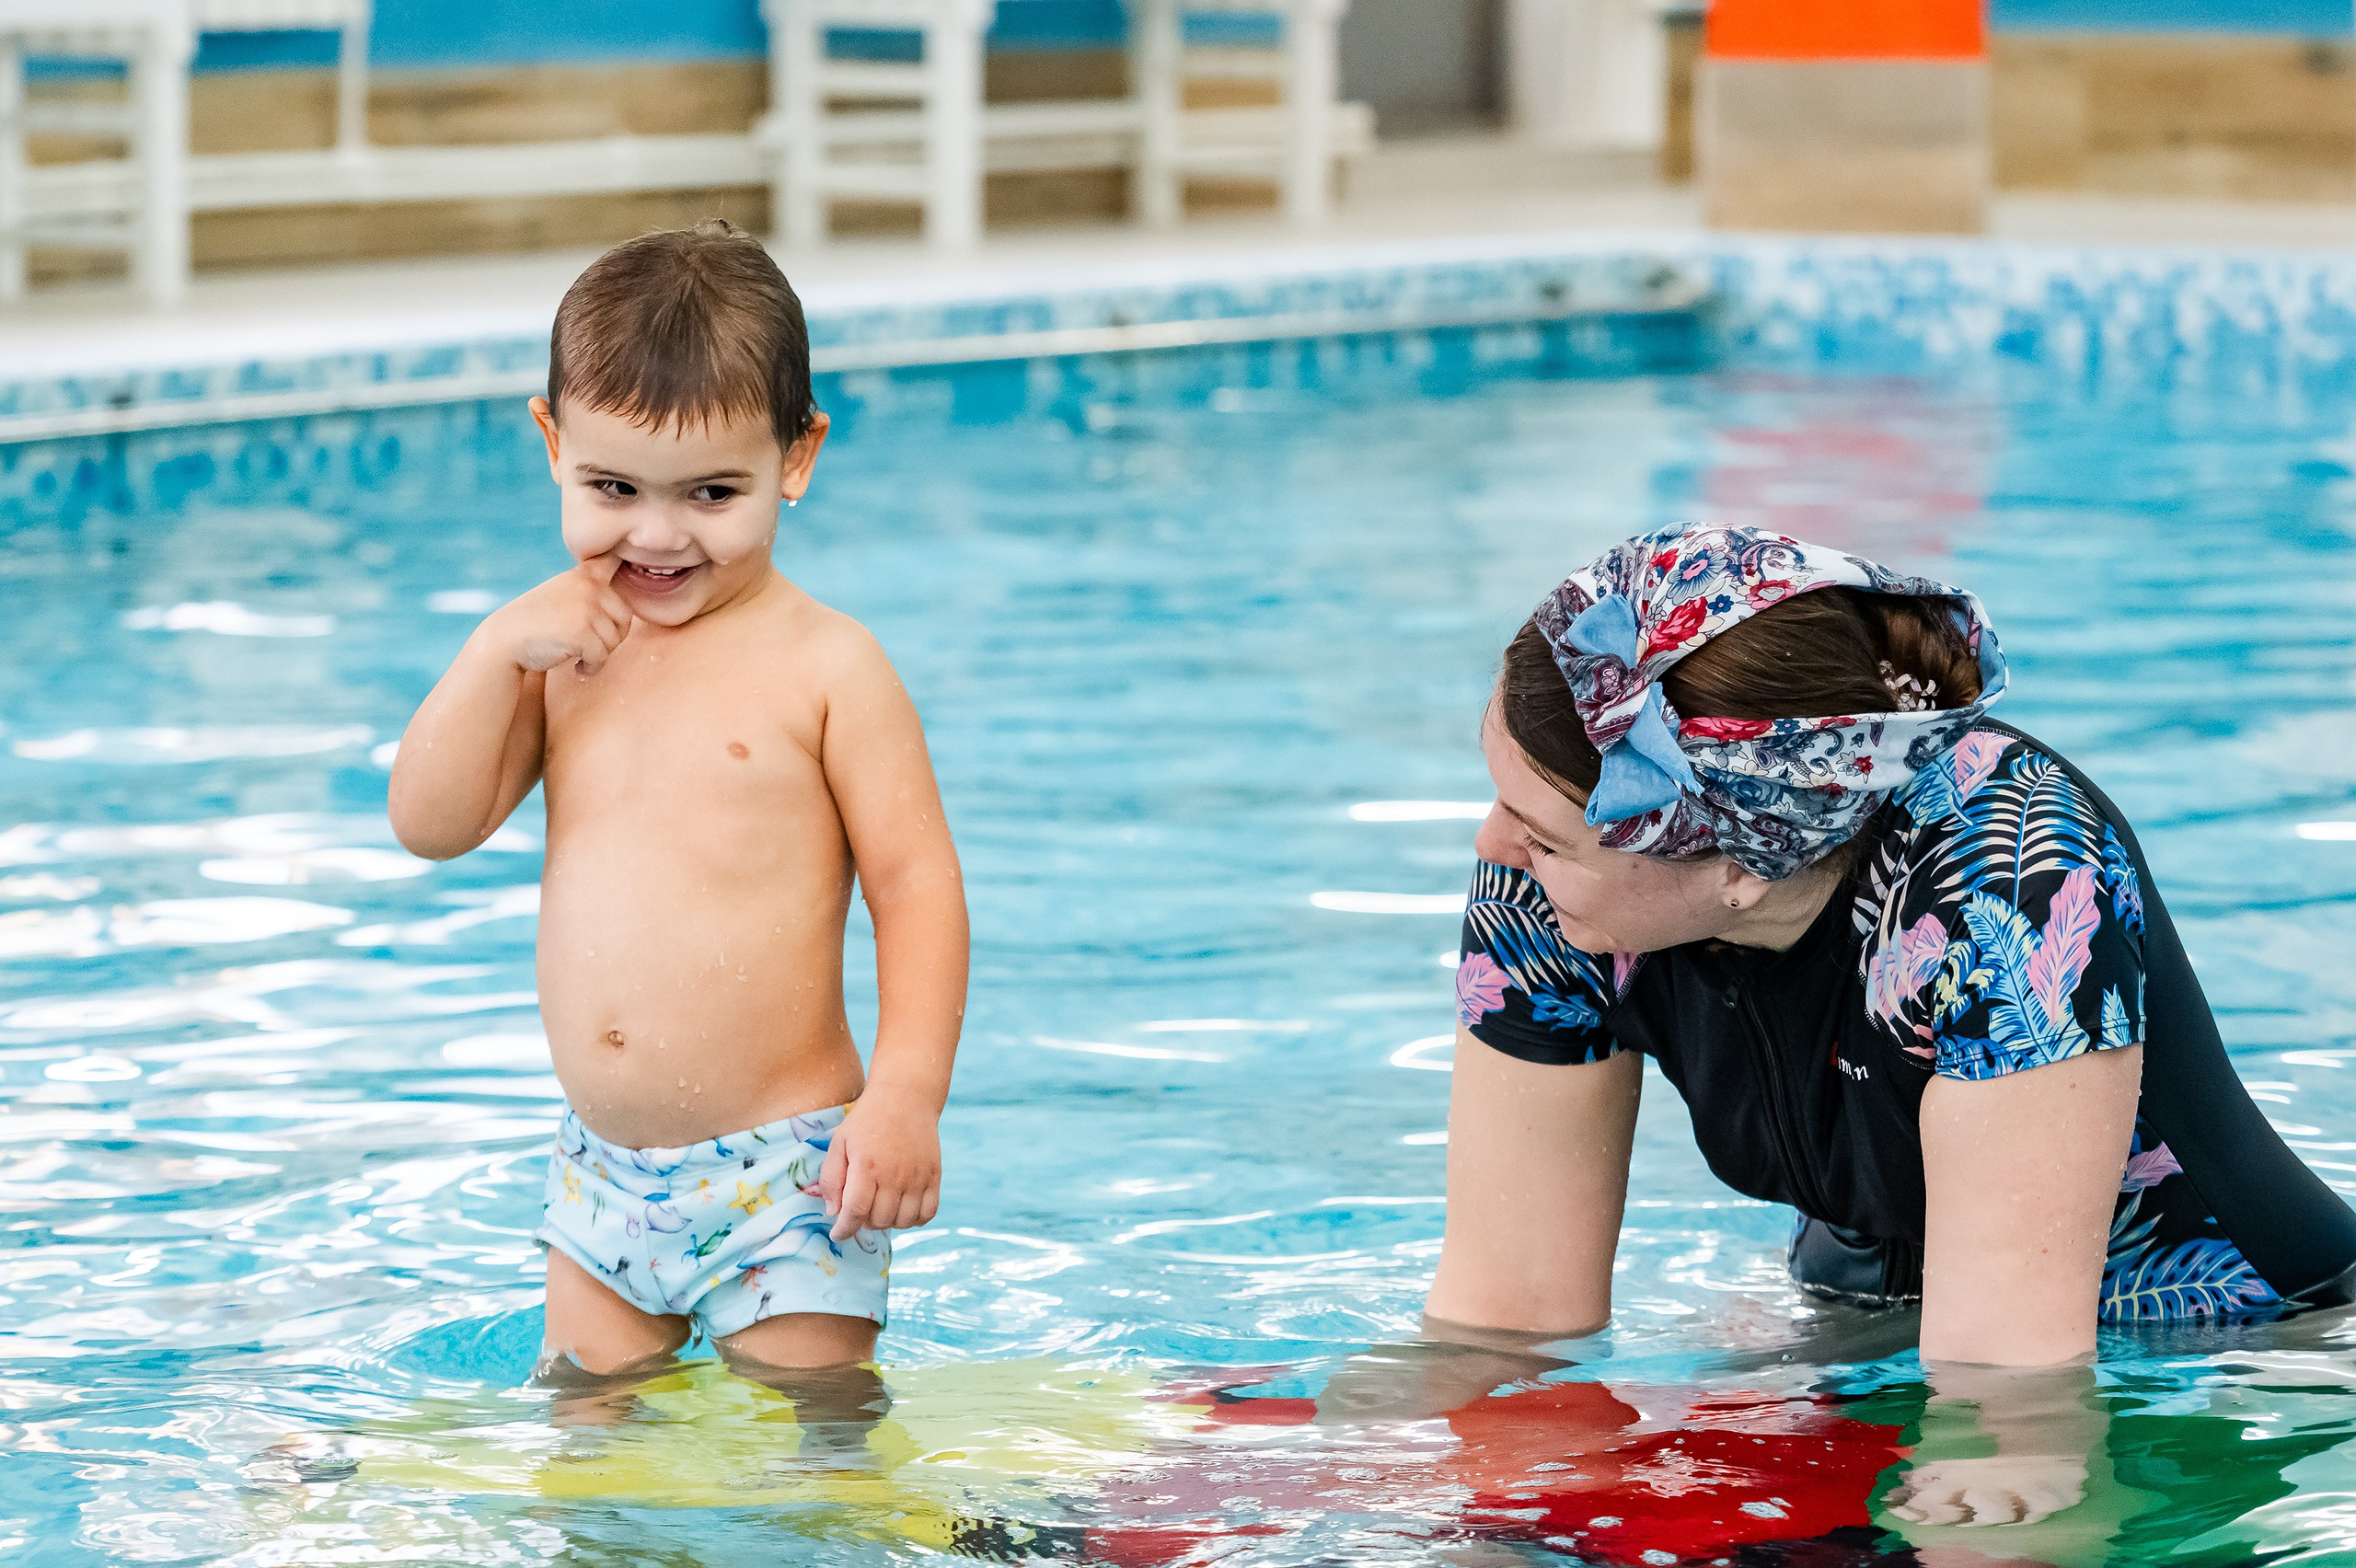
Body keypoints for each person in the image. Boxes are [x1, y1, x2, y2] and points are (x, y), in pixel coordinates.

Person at [1431, 521, 2356, 1341]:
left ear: (1741, 867)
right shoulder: (1551, 882)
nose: (1494, 848)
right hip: (1862, 1312)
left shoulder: (2009, 883)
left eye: (1545, 838)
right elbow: (1503, 1320)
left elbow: (2007, 1411)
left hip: (2209, 1348)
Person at [387, 221, 969, 1395]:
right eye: (612, 488)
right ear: (551, 443)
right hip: (600, 1173)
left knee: (814, 1443)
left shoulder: (828, 668)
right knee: (588, 1442)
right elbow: (430, 824)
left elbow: (916, 889)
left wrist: (906, 1096)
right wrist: (494, 650)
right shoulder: (556, 651)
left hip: (789, 1171)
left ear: (795, 459)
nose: (656, 535)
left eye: (711, 493)